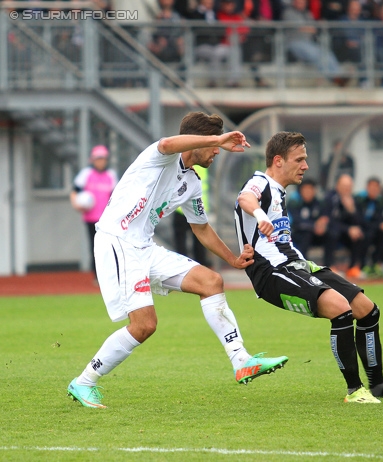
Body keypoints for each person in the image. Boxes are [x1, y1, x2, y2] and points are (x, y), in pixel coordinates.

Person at [67, 113, 288, 409]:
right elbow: (170, 142)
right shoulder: (160, 158)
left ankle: (241, 360)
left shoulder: (193, 183)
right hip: (117, 241)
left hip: (144, 246)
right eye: (213, 146)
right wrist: (218, 139)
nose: (215, 152)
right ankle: (84, 381)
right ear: (198, 140)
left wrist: (233, 259)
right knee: (144, 325)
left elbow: (201, 228)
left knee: (212, 282)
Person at [234, 131, 383, 403]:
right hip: (273, 273)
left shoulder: (279, 191)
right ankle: (354, 390)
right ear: (278, 161)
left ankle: (378, 386)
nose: (306, 166)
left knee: (367, 310)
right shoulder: (260, 182)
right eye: (299, 159)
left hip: (299, 265)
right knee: (341, 309)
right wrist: (258, 214)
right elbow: (245, 198)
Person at [70, 145, 119, 276]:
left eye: (103, 158)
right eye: (98, 158)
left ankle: (111, 273)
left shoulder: (111, 175)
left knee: (109, 247)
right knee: (94, 246)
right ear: (92, 160)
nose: (100, 161)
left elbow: (115, 196)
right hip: (91, 218)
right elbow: (75, 191)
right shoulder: (86, 174)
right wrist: (76, 204)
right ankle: (97, 275)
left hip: (107, 219)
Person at [319, 173, 367, 278]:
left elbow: (361, 223)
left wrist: (352, 210)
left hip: (347, 235)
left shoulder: (355, 200)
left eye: (349, 187)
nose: (347, 189)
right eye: (344, 186)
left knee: (360, 234)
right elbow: (329, 220)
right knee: (332, 234)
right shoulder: (330, 198)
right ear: (337, 186)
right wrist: (348, 229)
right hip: (334, 232)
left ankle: (354, 267)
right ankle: (330, 266)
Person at [172, 164, 210, 266]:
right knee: (199, 241)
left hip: (181, 208)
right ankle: (200, 267)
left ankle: (182, 267)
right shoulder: (202, 165)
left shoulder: (184, 164)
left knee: (181, 243)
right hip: (198, 208)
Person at [288, 178, 326, 260]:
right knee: (306, 234)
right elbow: (297, 222)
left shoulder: (318, 203)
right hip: (298, 233)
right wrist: (314, 226)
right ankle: (303, 263)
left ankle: (330, 265)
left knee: (331, 233)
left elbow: (324, 217)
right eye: (305, 189)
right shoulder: (295, 203)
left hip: (316, 234)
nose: (308, 192)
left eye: (310, 189)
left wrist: (323, 222)